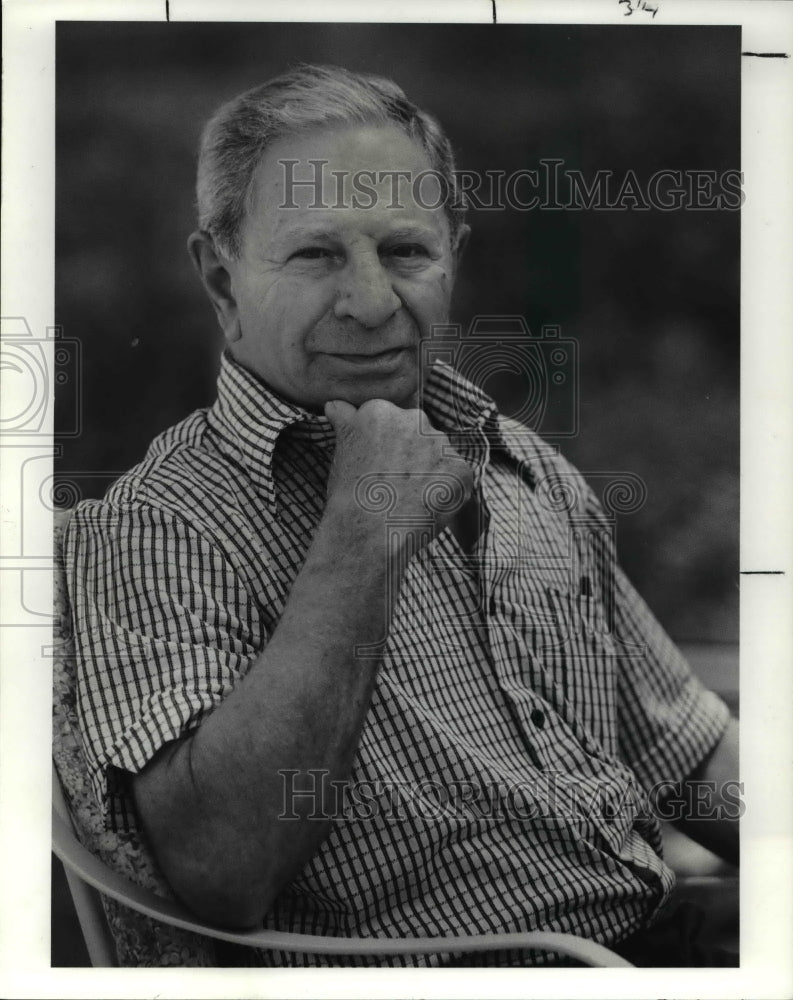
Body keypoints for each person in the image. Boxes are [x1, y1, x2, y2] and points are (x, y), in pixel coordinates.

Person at [64, 64, 738, 967]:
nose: (373, 302)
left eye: (405, 252)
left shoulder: (523, 465)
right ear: (221, 283)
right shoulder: (156, 526)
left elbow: (693, 764)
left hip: (658, 943)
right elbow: (221, 865)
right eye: (314, 255)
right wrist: (365, 532)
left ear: (453, 256)